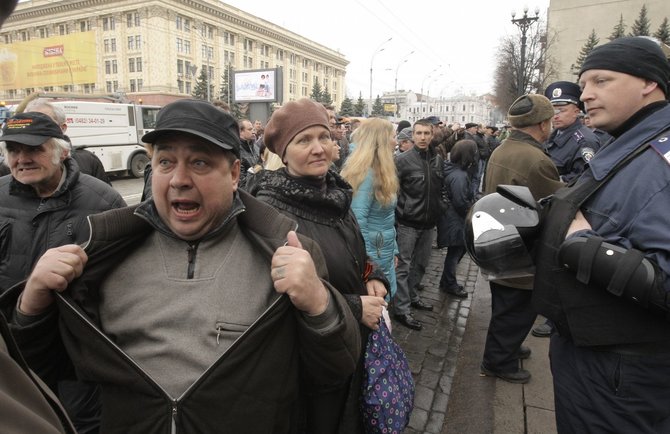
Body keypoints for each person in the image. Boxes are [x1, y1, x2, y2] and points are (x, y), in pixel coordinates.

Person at [0, 99, 361, 433]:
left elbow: (333, 370)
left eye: (200, 162)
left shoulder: (288, 252)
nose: (179, 179)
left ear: (235, 173)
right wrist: (31, 305)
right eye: (165, 162)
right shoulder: (99, 253)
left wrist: (320, 305)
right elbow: (40, 370)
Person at [533, 36, 670, 433]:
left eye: (601, 81)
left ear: (648, 82)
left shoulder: (660, 156)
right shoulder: (631, 142)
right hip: (594, 355)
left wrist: (579, 244)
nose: (586, 94)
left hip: (623, 373)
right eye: (584, 83)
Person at [244, 98, 388, 434]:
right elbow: (275, 300)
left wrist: (373, 275)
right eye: (304, 140)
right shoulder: (272, 212)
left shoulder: (337, 196)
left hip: (348, 345)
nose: (319, 148)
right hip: (309, 363)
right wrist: (354, 308)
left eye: (324, 137)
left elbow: (353, 253)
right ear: (283, 151)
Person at [0, 111, 126, 432]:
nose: (22, 159)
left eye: (33, 150)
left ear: (62, 152)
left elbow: (123, 282)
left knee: (77, 425)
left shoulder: (102, 200)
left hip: (75, 354)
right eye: (14, 150)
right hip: (12, 346)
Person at [480, 94, 563, 384]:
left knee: (506, 305)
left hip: (499, 239)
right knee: (516, 309)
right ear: (542, 124)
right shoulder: (535, 159)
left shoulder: (504, 147)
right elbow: (556, 206)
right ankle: (498, 361)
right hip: (520, 246)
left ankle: (507, 346)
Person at [341, 118, 399, 300]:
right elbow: (357, 223)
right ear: (381, 141)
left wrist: (394, 250)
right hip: (374, 255)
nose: (396, 141)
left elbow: (387, 218)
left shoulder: (381, 170)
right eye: (393, 136)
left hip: (383, 249)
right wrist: (369, 266)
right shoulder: (366, 174)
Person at [393, 118, 443, 331]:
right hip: (407, 223)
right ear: (412, 135)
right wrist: (400, 214)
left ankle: (413, 296)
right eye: (418, 133)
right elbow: (392, 191)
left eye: (426, 133)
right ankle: (402, 309)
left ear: (432, 135)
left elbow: (441, 188)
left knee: (421, 264)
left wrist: (443, 207)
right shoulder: (402, 161)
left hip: (429, 222)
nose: (422, 137)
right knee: (403, 267)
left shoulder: (438, 159)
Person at [24, 98, 112, 185]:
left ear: (62, 128)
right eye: (28, 124)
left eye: (44, 124)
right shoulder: (15, 164)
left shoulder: (88, 161)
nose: (35, 129)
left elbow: (106, 197)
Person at [436, 139, 477, 298]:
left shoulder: (453, 170)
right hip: (455, 220)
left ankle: (447, 280)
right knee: (456, 252)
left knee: (456, 252)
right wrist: (470, 210)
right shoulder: (459, 175)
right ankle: (449, 283)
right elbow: (460, 202)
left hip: (451, 218)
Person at [543, 81, 601, 183]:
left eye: (561, 110)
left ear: (576, 112)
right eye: (553, 111)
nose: (555, 116)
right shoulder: (552, 136)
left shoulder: (585, 141)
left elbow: (583, 180)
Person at [237, 118, 260, 183]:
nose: (253, 132)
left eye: (253, 129)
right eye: (250, 129)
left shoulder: (256, 147)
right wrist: (253, 171)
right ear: (240, 131)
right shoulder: (237, 150)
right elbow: (240, 179)